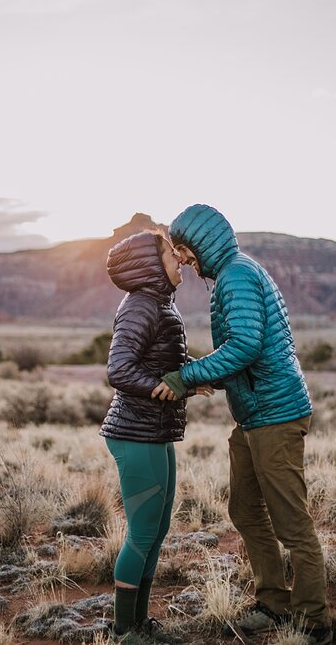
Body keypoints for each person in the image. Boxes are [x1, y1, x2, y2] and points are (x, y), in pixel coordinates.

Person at [152, 204, 333, 645]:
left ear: (200, 243)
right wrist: (195, 370)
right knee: (245, 509)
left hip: (276, 415)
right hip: (256, 414)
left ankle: (314, 622)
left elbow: (246, 346)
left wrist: (186, 376)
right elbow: (242, 348)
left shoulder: (235, 275)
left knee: (292, 523)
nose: (185, 263)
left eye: (184, 252)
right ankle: (273, 602)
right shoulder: (234, 274)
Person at [100, 229, 211, 644]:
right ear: (151, 263)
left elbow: (168, 361)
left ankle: (140, 624)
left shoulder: (159, 303)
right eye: (170, 253)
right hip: (136, 432)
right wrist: (162, 387)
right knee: (143, 533)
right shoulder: (140, 307)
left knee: (157, 530)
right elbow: (119, 369)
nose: (179, 260)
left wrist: (193, 377)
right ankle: (124, 631)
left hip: (156, 430)